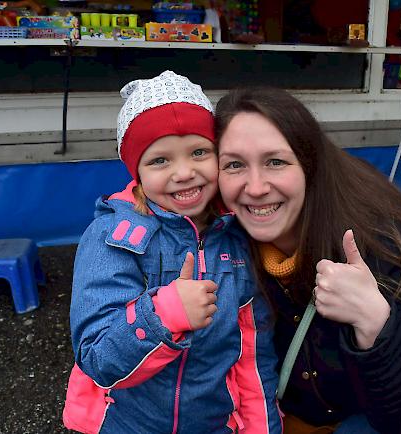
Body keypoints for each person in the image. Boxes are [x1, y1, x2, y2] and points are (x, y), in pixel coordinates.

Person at [214, 86, 401, 434]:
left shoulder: (384, 240)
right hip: (301, 417)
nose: (254, 187)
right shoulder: (218, 242)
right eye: (235, 165)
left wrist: (375, 324)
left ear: (310, 166)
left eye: (276, 162)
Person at [62, 71, 282, 434]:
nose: (184, 172)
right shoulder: (111, 237)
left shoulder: (237, 236)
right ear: (137, 170)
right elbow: (97, 358)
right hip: (125, 425)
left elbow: (253, 358)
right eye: (160, 160)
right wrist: (163, 315)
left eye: (199, 152)